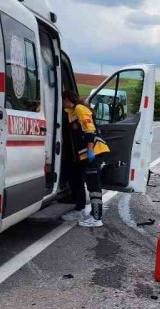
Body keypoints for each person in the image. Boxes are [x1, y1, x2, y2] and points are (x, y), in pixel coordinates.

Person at [61, 90, 111, 228]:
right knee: (86, 183)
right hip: (85, 155)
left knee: (94, 186)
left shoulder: (79, 109)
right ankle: (87, 213)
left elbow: (90, 131)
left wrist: (90, 150)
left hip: (94, 152)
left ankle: (97, 218)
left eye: (63, 100)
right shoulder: (72, 112)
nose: (62, 103)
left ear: (67, 99)